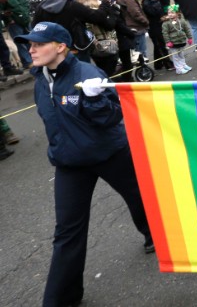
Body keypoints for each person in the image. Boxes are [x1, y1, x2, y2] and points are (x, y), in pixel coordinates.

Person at [18, 22, 154, 307]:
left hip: (109, 154)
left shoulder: (87, 73)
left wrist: (95, 100)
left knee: (139, 196)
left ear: (60, 47)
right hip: (69, 163)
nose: (31, 49)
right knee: (67, 232)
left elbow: (111, 117)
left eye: (38, 43)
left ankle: (155, 236)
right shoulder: (41, 78)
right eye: (30, 43)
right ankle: (60, 299)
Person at [33, 0, 116, 63]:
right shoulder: (72, 6)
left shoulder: (41, 6)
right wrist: (105, 2)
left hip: (54, 49)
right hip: (75, 49)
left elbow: (35, 27)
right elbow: (97, 17)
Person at [0, 0, 33, 69]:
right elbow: (1, 10)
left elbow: (25, 2)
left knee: (31, 40)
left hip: (26, 19)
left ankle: (35, 59)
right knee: (20, 42)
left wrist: (27, 13)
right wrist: (9, 19)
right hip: (14, 23)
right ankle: (28, 62)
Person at [161, 5, 193, 74]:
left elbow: (186, 29)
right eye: (169, 13)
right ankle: (179, 69)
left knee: (181, 54)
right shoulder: (166, 23)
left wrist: (189, 37)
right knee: (175, 56)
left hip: (181, 41)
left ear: (177, 13)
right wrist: (168, 42)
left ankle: (183, 65)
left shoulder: (181, 21)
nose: (170, 14)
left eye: (172, 12)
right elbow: (165, 33)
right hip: (173, 43)